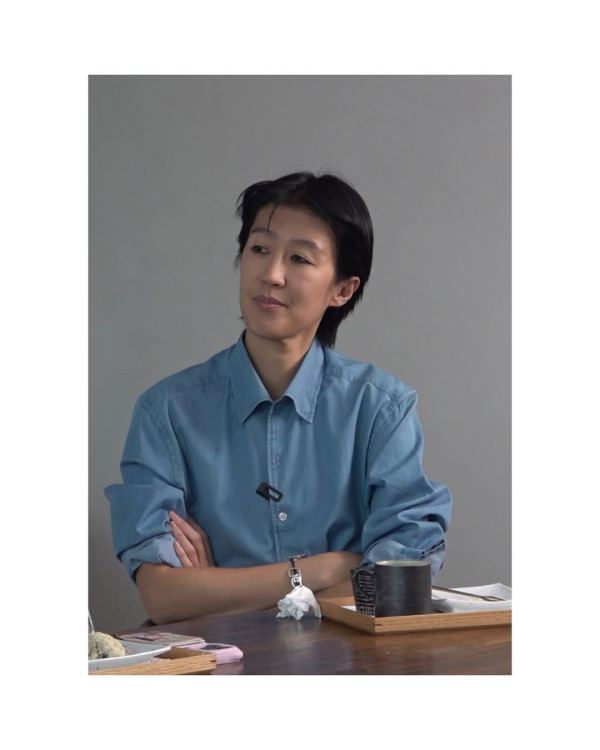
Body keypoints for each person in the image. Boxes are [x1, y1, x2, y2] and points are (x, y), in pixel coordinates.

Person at [105, 171, 452, 625]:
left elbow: (396, 587)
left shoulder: (381, 409)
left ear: (343, 289)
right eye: (259, 249)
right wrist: (327, 568)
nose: (270, 275)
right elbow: (164, 598)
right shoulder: (166, 412)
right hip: (218, 661)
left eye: (300, 258)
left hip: (349, 663)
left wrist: (218, 589)